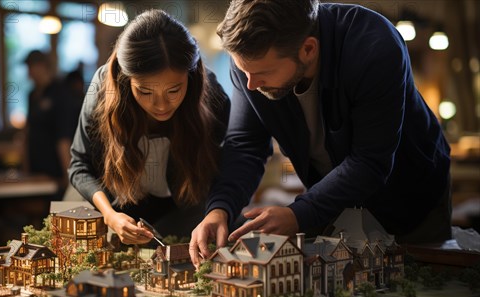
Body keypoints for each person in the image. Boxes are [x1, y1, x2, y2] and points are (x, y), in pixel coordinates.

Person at [190, 0, 452, 266]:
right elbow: (245, 145)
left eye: (262, 73)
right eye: (243, 71)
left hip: (411, 199)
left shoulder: (374, 45)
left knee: (422, 287)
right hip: (334, 205)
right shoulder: (252, 63)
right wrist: (219, 209)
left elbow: (370, 160)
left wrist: (300, 213)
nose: (251, 84)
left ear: (308, 49)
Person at [69, 9, 230, 245]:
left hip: (181, 205)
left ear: (191, 76)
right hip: (112, 201)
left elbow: (229, 164)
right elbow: (79, 165)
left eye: (174, 90)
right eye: (144, 92)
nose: (161, 105)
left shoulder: (211, 95)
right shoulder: (103, 92)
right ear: (126, 79)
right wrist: (110, 216)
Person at [24, 50, 78, 198]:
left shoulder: (61, 94)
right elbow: (28, 132)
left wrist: (68, 177)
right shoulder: (32, 95)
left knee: (54, 216)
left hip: (55, 173)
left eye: (30, 68)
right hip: (35, 171)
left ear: (42, 67)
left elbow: (64, 137)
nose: (28, 73)